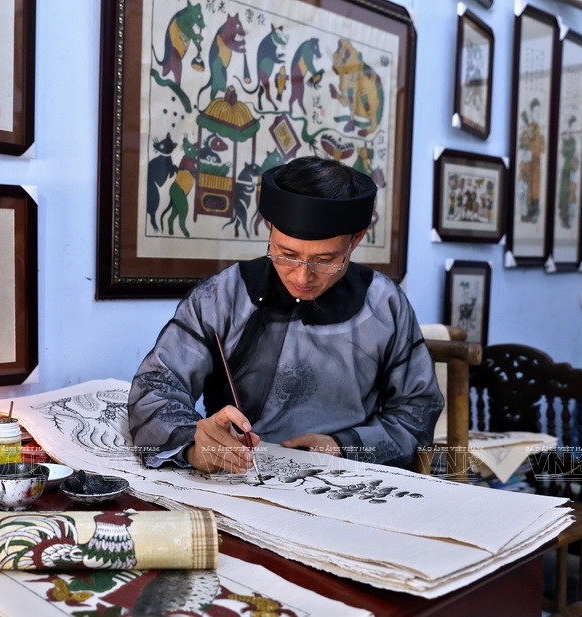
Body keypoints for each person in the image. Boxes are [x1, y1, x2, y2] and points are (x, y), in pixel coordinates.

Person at [128, 156, 443, 475]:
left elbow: (418, 409)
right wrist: (195, 447)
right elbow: (156, 386)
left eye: (325, 260)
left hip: (347, 473)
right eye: (287, 254)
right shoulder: (222, 296)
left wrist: (344, 447)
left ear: (356, 239)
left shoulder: (384, 302)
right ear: (270, 228)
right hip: (239, 474)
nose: (302, 277)